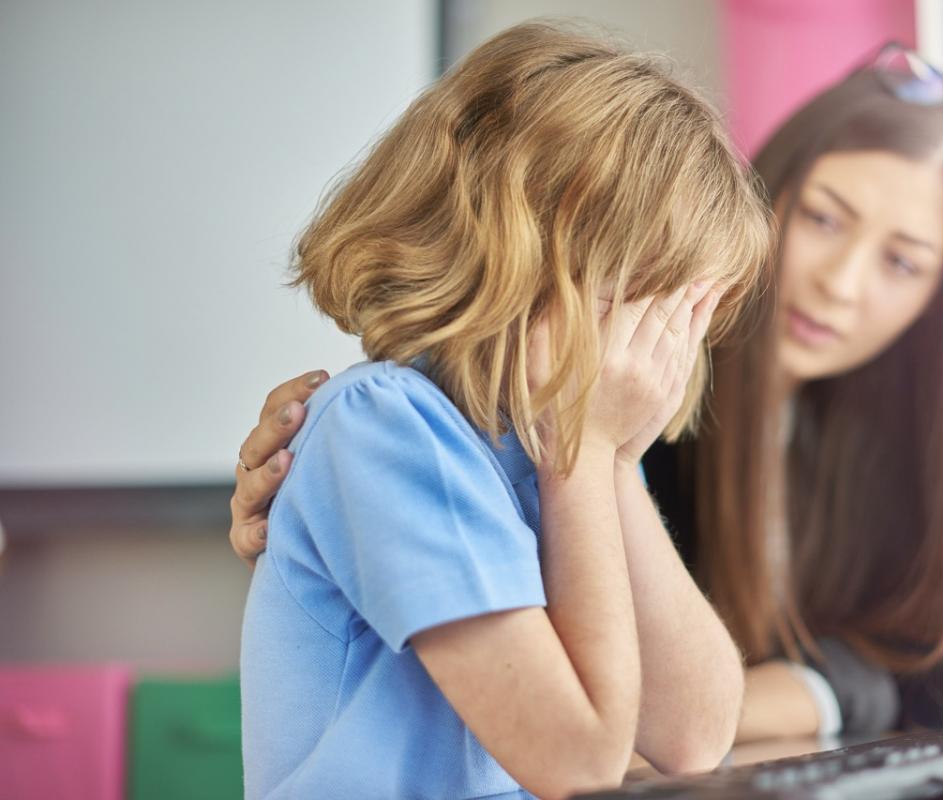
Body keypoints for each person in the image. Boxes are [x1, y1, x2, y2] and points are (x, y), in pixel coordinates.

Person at [232, 43, 943, 748]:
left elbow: (916, 680)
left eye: (902, 263)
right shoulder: (597, 400)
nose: (840, 283)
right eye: (826, 220)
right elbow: (532, 678)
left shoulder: (901, 439)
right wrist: (321, 513)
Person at [238, 22, 771, 800]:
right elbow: (579, 761)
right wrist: (586, 454)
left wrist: (616, 463)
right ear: (512, 250)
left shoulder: (539, 449)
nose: (653, 351)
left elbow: (693, 736)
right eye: (636, 305)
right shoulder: (383, 427)